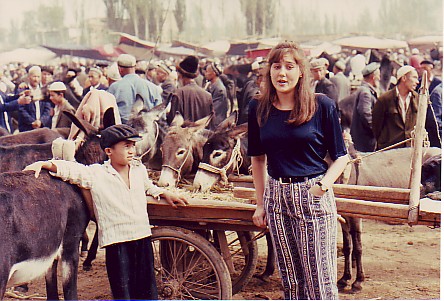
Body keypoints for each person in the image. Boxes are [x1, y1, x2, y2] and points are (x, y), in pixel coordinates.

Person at [24, 124, 188, 300]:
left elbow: (148, 186)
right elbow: (72, 171)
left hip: (142, 238)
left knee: (147, 289)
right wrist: (45, 164)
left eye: (133, 145)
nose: (131, 150)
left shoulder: (138, 169)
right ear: (109, 151)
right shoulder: (97, 174)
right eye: (126, 146)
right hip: (117, 243)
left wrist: (164, 193)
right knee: (123, 293)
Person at [248, 41, 349, 300]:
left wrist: (322, 187)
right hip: (277, 198)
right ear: (268, 71)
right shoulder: (258, 108)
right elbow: (258, 160)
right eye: (276, 66)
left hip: (312, 196)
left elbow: (340, 157)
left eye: (289, 67)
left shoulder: (321, 105)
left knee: (320, 281)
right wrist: (261, 204)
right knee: (291, 282)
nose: (282, 73)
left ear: (301, 71)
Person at [372, 65, 419, 150]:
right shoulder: (385, 99)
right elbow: (376, 127)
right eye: (414, 77)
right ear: (404, 78)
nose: (417, 82)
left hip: (410, 150)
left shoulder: (418, 100)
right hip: (390, 151)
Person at [108, 54, 162, 123]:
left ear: (120, 69)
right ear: (135, 67)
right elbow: (160, 113)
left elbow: (108, 112)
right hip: (146, 129)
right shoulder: (153, 87)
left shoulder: (115, 87)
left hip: (122, 130)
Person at [166, 56, 214, 127]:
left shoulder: (178, 94)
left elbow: (173, 122)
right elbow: (210, 121)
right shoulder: (207, 96)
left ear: (180, 75)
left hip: (182, 136)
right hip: (200, 136)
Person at [350, 62, 381, 152]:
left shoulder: (364, 90)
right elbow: (365, 114)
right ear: (373, 77)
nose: (379, 78)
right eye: (378, 75)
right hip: (364, 138)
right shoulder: (366, 93)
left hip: (362, 137)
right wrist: (375, 130)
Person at [18, 66, 53, 132]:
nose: (36, 79)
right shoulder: (22, 90)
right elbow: (21, 109)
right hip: (26, 127)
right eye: (34, 76)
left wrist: (41, 121)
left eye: (38, 77)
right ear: (28, 77)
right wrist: (32, 122)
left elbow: (47, 109)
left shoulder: (44, 91)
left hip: (42, 127)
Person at [205, 62, 229, 126]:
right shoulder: (211, 85)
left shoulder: (219, 89)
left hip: (217, 124)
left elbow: (215, 109)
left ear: (214, 73)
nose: (205, 74)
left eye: (207, 71)